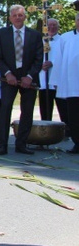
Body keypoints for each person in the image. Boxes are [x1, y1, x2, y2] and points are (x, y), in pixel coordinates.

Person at [0, 4, 43, 155]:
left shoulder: (35, 35)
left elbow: (38, 59)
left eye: (20, 15)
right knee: (5, 108)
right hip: (9, 77)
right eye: (14, 15)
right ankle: (2, 145)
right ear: (10, 18)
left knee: (27, 112)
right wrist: (7, 73)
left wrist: (29, 76)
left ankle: (21, 144)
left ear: (25, 17)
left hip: (29, 77)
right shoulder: (2, 33)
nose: (17, 18)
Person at [53, 13, 79, 153]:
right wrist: (57, 81)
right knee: (74, 116)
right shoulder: (65, 38)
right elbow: (59, 60)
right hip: (72, 84)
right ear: (76, 22)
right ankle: (77, 142)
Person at [39, 18, 60, 121]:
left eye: (54, 25)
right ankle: (46, 129)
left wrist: (53, 63)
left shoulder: (62, 40)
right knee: (45, 107)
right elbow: (36, 58)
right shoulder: (40, 41)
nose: (52, 27)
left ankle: (66, 130)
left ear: (58, 27)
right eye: (49, 25)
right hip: (44, 78)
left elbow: (65, 57)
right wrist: (41, 65)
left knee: (63, 107)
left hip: (58, 79)